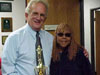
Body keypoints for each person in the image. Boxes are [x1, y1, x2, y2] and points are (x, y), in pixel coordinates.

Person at [1, 0, 53, 75]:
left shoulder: (50, 38)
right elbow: (7, 71)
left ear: (45, 18)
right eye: (35, 13)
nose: (38, 18)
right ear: (26, 15)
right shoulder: (14, 38)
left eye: (42, 15)